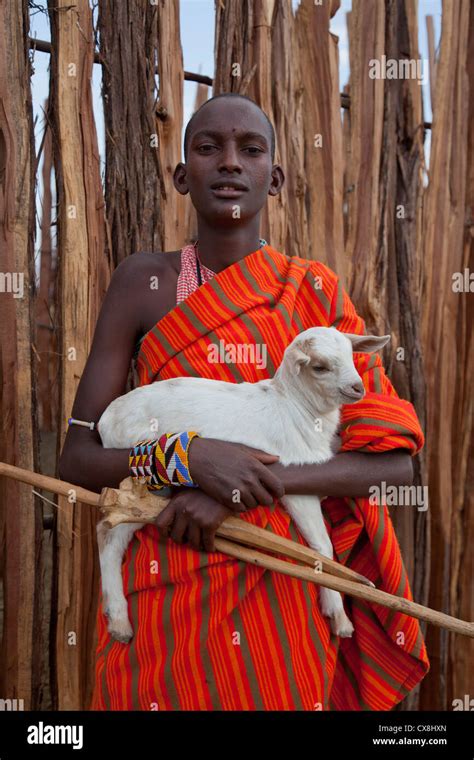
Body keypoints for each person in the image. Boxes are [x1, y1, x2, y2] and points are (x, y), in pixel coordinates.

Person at [59, 93, 429, 711]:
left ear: (274, 177)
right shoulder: (143, 284)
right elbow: (75, 459)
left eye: (250, 150)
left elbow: (394, 467)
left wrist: (237, 485)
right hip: (167, 587)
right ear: (182, 175)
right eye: (208, 148)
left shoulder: (312, 296)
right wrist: (187, 460)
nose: (230, 162)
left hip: (279, 602)